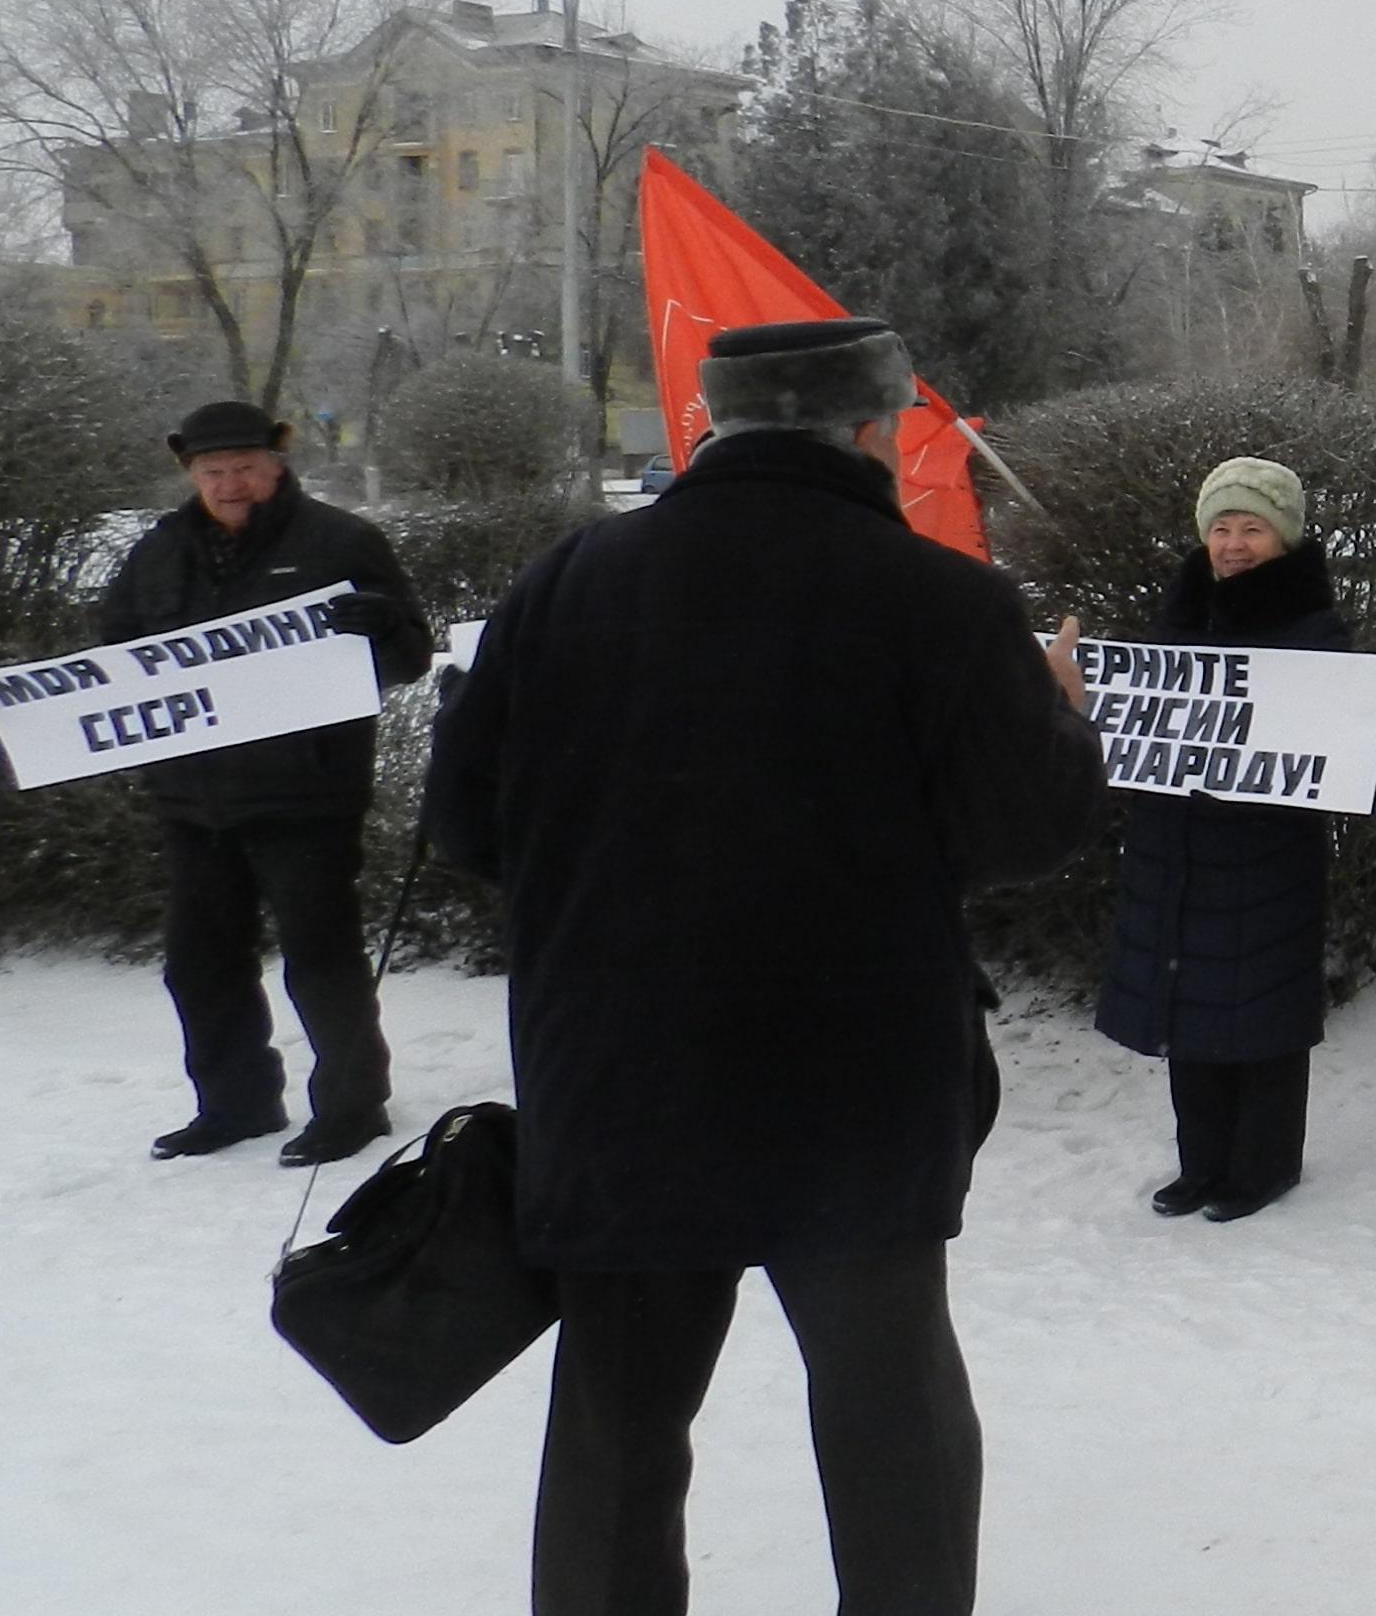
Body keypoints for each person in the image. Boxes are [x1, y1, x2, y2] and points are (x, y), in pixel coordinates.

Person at [425, 318, 1105, 1616]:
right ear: (873, 428)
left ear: (714, 426)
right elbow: (1030, 831)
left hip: (620, 1077)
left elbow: (465, 826)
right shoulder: (941, 600)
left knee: (617, 1428)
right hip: (851, 1094)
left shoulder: (564, 582)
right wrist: (1061, 725)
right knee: (888, 1409)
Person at [99, 399, 432, 1166]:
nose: (231, 485)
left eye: (246, 469)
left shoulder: (341, 542)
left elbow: (409, 657)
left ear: (277, 466)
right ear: (191, 475)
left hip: (305, 794)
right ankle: (235, 1104)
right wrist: (25, 702)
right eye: (214, 472)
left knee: (321, 958)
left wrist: (381, 626)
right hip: (191, 798)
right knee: (199, 963)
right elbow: (111, 667)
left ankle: (353, 1106)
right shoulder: (157, 552)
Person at [1095, 457, 1351, 1222]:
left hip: (1264, 846)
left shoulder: (1311, 623)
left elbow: (1325, 736)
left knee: (1261, 1007)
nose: (1234, 544)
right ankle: (1201, 1163)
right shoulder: (1180, 609)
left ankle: (1264, 1166)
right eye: (1221, 527)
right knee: (1188, 1004)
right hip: (1176, 841)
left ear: (1284, 538)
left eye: (1252, 528)